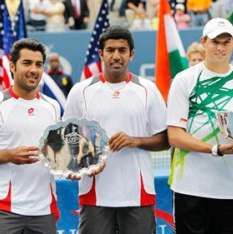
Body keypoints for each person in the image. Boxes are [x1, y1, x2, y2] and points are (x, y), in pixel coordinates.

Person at [63, 25, 169, 234]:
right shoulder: (80, 91)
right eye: (110, 50)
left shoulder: (148, 90)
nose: (116, 56)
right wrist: (82, 161)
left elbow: (165, 140)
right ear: (101, 54)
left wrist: (136, 141)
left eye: (122, 50)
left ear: (132, 54)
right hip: (95, 194)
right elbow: (67, 140)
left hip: (138, 193)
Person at [167, 18, 233, 234]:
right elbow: (174, 136)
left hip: (230, 188)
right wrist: (213, 149)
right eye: (216, 41)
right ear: (204, 41)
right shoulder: (184, 79)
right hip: (190, 187)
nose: (220, 47)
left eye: (226, 42)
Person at [0, 38, 61, 234]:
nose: (33, 70)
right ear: (12, 66)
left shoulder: (52, 107)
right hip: (4, 211)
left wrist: (77, 165)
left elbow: (55, 155)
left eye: (38, 64)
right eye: (27, 63)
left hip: (44, 211)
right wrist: (8, 156)